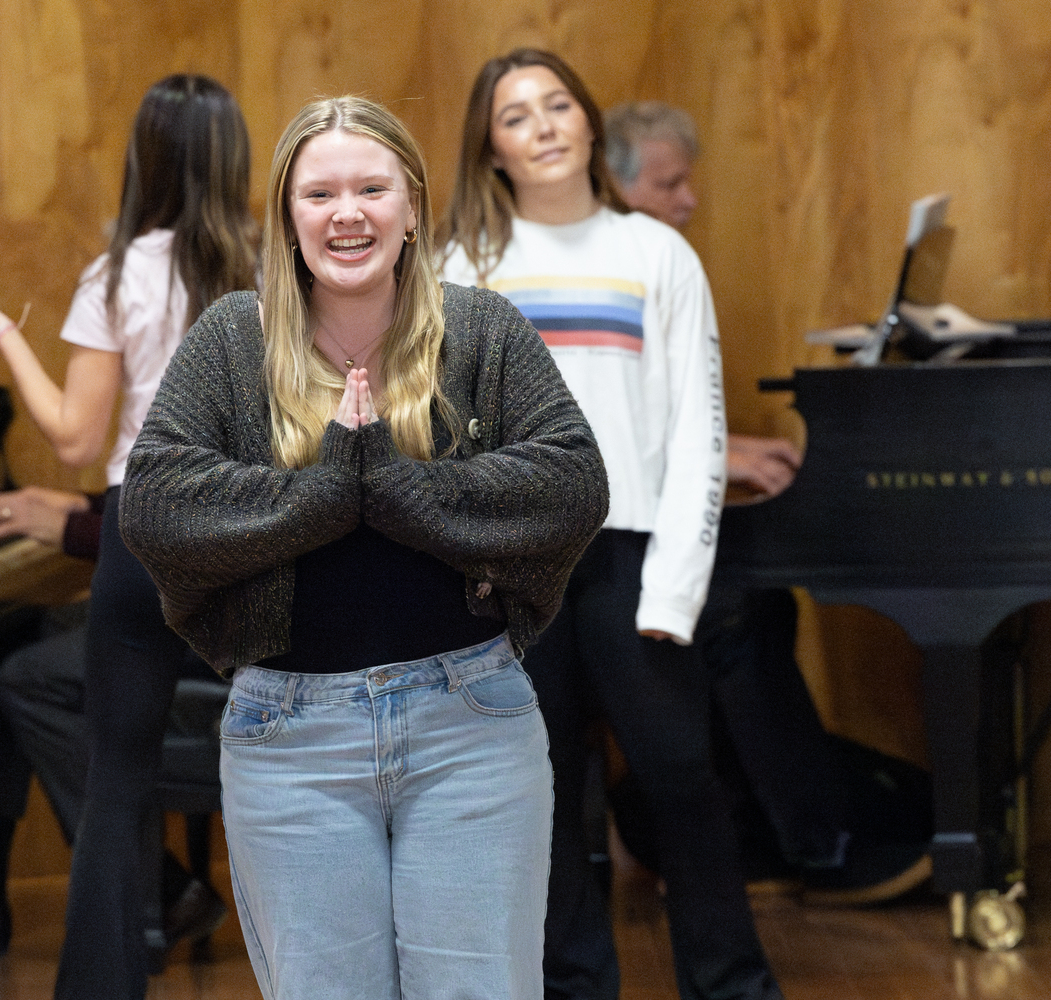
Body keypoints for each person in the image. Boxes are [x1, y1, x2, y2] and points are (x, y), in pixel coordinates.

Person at [117, 96, 608, 1000]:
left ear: (413, 207)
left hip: (472, 729)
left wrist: (389, 480)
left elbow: (572, 485)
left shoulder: (484, 330)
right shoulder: (232, 340)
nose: (349, 213)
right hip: (289, 738)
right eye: (321, 193)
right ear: (287, 215)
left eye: (373, 188)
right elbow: (155, 506)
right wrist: (328, 489)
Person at [439, 50, 778, 1000]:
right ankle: (572, 986)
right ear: (493, 148)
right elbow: (438, 441)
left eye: (557, 105)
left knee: (681, 780)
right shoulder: (462, 267)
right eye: (516, 116)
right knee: (537, 800)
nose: (543, 126)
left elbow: (697, 433)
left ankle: (733, 984)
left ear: (589, 125)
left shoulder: (656, 254)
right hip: (509, 568)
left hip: (633, 560)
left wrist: (674, 589)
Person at [0, 73, 256, 998]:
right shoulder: (276, 272)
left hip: (142, 533)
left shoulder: (118, 276)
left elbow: (74, 436)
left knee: (118, 780)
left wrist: (2, 331)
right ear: (236, 155)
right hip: (253, 533)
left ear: (141, 157)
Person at [604, 100, 933, 902]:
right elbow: (603, 433)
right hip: (596, 539)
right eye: (670, 183)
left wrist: (728, 451)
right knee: (738, 612)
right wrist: (725, 457)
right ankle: (815, 847)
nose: (688, 200)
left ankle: (759, 827)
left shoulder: (653, 264)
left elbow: (660, 418)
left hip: (640, 515)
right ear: (613, 188)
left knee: (759, 604)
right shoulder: (606, 273)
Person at [0, 486, 225, 958]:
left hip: (220, 619)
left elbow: (206, 522)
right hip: (187, 595)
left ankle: (155, 889)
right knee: (17, 630)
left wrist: (71, 527)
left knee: (29, 681)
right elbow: (182, 489)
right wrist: (85, 503)